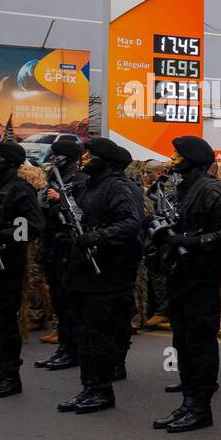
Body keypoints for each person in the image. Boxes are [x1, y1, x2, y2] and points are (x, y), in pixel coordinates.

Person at [149, 136, 221, 433]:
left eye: (178, 154)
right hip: (182, 275)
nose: (173, 158)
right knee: (183, 342)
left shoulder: (211, 189)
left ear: (192, 158)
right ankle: (188, 402)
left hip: (202, 278)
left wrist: (195, 242)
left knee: (200, 344)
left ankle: (200, 407)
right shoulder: (185, 188)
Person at [58, 138, 143, 415]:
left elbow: (130, 223)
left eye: (92, 155)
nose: (85, 159)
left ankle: (102, 390)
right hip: (84, 272)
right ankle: (89, 387)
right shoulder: (85, 186)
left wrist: (98, 236)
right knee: (84, 334)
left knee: (100, 335)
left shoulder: (116, 186)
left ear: (105, 160)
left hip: (107, 273)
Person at [0, 141, 44, 399]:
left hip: (6, 265)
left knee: (4, 323)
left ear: (9, 163)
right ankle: (0, 373)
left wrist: (0, 235)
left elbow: (33, 227)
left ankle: (11, 376)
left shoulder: (20, 190)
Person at [36, 138, 86, 371]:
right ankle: (64, 347)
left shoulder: (79, 180)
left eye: (57, 154)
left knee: (70, 303)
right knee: (59, 300)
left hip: (69, 248)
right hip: (53, 246)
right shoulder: (54, 178)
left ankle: (73, 349)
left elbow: (81, 213)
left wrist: (60, 201)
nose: (53, 158)